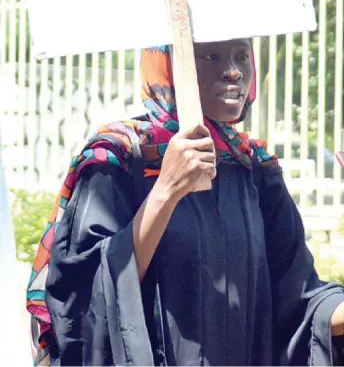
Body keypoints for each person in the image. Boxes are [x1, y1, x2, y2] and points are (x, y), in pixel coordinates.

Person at [27, 41, 344, 366]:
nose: (234, 71)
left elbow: (300, 302)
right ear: (168, 66)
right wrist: (166, 190)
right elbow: (83, 297)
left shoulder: (255, 169)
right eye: (211, 56)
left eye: (241, 56)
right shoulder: (119, 158)